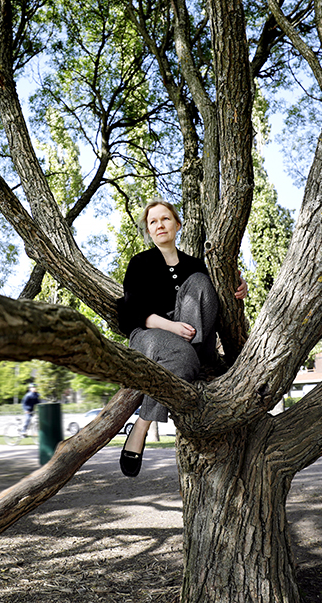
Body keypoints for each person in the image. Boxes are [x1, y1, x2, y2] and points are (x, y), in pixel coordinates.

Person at [115, 199, 246, 477]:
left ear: (177, 224)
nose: (159, 225)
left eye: (165, 219)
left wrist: (239, 283)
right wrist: (172, 328)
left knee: (200, 280)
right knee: (180, 355)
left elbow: (218, 291)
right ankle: (142, 425)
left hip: (197, 340)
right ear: (149, 231)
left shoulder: (196, 265)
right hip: (151, 335)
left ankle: (187, 360)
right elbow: (130, 313)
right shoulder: (140, 263)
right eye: (153, 222)